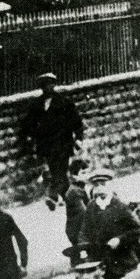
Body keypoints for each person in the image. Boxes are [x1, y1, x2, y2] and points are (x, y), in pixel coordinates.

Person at [22, 72, 84, 211]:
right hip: (47, 145)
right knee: (55, 170)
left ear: (54, 85)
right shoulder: (37, 104)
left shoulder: (64, 102)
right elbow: (30, 123)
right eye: (44, 85)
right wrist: (30, 137)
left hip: (63, 143)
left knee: (60, 171)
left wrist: (79, 138)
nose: (47, 87)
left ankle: (59, 196)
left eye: (50, 84)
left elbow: (76, 121)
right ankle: (67, 196)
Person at [77, 168, 140, 279]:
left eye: (103, 184)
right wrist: (83, 247)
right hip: (101, 262)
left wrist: (120, 239)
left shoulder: (120, 206)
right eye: (96, 185)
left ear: (111, 185)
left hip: (122, 262)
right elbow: (84, 231)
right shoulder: (92, 207)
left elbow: (137, 229)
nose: (100, 188)